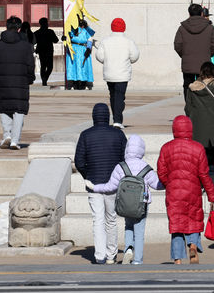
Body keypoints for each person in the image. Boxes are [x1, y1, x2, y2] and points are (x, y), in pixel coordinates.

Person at [85, 135, 164, 265]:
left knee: (128, 226)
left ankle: (128, 249)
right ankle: (137, 260)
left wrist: (94, 187)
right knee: (139, 231)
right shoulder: (146, 168)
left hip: (125, 203)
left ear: (127, 149)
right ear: (142, 150)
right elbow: (157, 185)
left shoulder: (120, 167)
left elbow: (110, 187)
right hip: (141, 205)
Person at [157, 115, 214, 265]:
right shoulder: (198, 148)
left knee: (176, 226)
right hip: (193, 191)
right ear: (190, 129)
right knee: (193, 221)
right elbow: (204, 173)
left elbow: (161, 171)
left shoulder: (166, 148)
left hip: (174, 193)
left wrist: (169, 184)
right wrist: (212, 194)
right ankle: (193, 246)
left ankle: (177, 259)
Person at [74, 103, 128, 264]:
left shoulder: (85, 135)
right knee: (111, 219)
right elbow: (125, 159)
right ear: (108, 116)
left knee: (97, 219)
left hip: (93, 183)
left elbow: (79, 161)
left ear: (93, 117)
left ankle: (99, 255)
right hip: (113, 185)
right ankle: (112, 255)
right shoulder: (118, 134)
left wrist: (87, 175)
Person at [0, 16, 35, 150]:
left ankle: (6, 135)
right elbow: (30, 64)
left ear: (6, 27)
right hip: (21, 82)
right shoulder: (26, 46)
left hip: (4, 81)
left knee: (4, 108)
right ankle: (15, 140)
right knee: (19, 110)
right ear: (19, 28)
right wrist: (30, 78)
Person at [94, 18, 140, 128]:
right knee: (120, 97)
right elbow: (134, 56)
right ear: (123, 28)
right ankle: (118, 120)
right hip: (123, 74)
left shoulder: (105, 41)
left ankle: (116, 117)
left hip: (109, 73)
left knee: (113, 96)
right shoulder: (129, 41)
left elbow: (99, 56)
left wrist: (107, 61)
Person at [174, 3, 214, 100]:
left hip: (188, 64)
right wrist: (209, 53)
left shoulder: (182, 28)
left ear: (189, 14)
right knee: (205, 86)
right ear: (201, 14)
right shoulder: (210, 27)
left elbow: (177, 45)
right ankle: (203, 107)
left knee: (188, 86)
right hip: (204, 63)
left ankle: (189, 108)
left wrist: (185, 55)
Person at [65, 19, 95, 90]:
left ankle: (83, 81)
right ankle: (73, 81)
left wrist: (88, 48)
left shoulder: (86, 31)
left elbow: (90, 39)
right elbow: (67, 37)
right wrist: (65, 39)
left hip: (83, 50)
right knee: (73, 65)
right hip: (73, 49)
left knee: (83, 66)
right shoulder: (72, 30)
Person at [33, 17, 59, 86]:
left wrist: (35, 49)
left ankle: (44, 80)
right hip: (49, 51)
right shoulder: (50, 31)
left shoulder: (37, 33)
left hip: (41, 51)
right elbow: (56, 40)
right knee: (50, 67)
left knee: (43, 66)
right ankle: (45, 79)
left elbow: (32, 42)